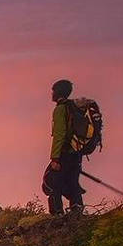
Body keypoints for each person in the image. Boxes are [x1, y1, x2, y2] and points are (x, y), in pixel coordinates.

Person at [44, 78, 85, 215]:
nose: (51, 94)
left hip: (64, 153)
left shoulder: (60, 109)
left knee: (52, 182)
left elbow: (59, 134)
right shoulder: (73, 108)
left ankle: (57, 214)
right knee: (72, 182)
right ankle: (77, 210)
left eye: (53, 91)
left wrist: (55, 158)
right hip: (76, 152)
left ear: (57, 92)